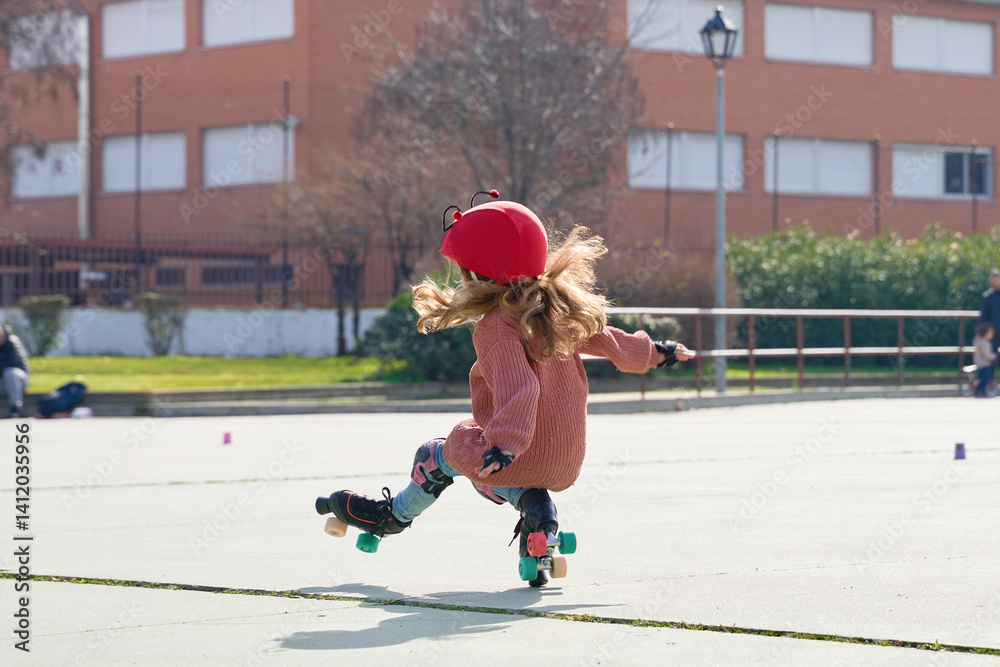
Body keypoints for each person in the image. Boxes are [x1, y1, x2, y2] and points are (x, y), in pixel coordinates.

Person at [316, 191, 693, 586]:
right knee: (486, 459)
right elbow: (610, 340)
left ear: (480, 276)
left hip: (514, 453)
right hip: (566, 462)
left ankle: (390, 518)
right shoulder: (556, 311)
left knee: (442, 451)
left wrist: (506, 445)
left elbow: (521, 387)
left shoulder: (496, 326)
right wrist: (656, 352)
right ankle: (538, 517)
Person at [0, 324, 30, 418]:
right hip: (2, 382)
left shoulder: (12, 342)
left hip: (18, 379)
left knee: (9, 372)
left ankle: (16, 408)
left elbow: (13, 362)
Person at [978, 268, 1000, 356]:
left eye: (997, 280)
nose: (995, 282)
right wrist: (980, 332)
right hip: (992, 333)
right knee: (991, 356)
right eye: (993, 280)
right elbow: (983, 316)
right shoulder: (987, 297)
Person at [972, 322, 996, 397]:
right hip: (985, 363)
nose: (992, 334)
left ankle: (977, 390)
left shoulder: (978, 341)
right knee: (984, 379)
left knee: (980, 378)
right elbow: (987, 354)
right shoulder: (985, 343)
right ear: (985, 334)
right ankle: (983, 391)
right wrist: (994, 356)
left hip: (979, 363)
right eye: (991, 333)